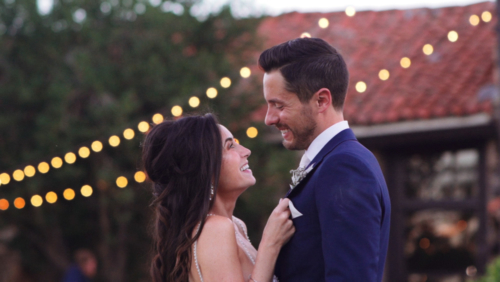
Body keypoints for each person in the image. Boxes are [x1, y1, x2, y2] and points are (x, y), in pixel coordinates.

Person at [259, 38, 391, 281]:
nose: (269, 119)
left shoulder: (345, 167)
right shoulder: (332, 160)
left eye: (278, 105)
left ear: (321, 100)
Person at [142, 113, 295, 282]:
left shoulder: (235, 225)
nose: (246, 151)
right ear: (206, 169)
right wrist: (270, 244)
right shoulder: (215, 229)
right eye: (230, 146)